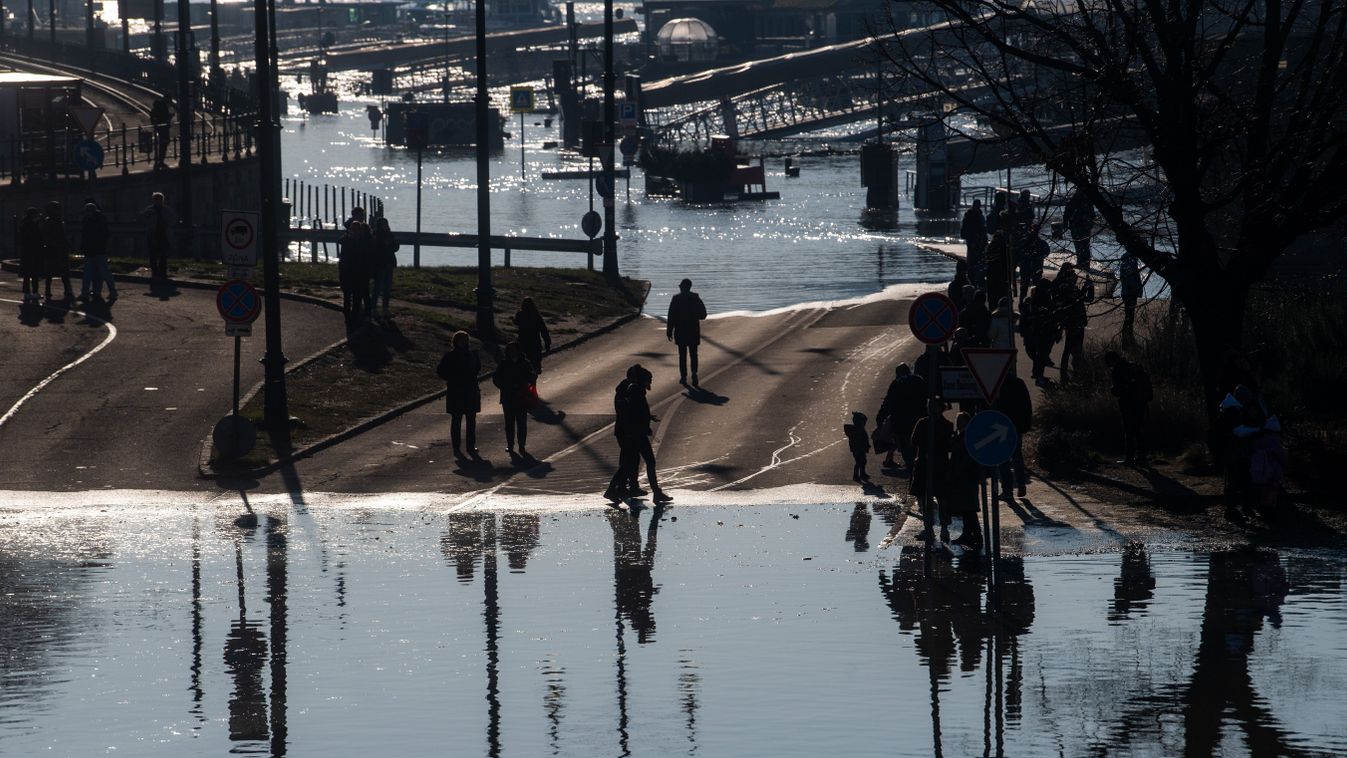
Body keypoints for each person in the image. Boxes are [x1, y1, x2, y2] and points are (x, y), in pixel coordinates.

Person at [608, 365, 670, 503]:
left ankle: (619, 489)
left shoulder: (632, 389)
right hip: (635, 433)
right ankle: (653, 492)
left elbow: (637, 410)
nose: (650, 383)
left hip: (633, 432)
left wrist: (647, 418)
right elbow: (632, 411)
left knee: (630, 462)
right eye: (649, 380)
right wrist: (642, 424)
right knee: (644, 461)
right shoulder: (635, 390)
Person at [436, 331, 482, 459]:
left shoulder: (471, 355)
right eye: (461, 340)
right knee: (456, 420)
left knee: (471, 421)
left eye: (466, 340)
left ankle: (470, 445)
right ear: (456, 341)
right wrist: (452, 378)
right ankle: (456, 446)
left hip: (470, 391)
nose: (464, 342)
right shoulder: (450, 356)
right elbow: (441, 371)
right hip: (456, 392)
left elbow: (477, 369)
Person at [910, 408, 954, 542]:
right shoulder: (947, 425)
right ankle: (944, 529)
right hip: (940, 465)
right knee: (942, 500)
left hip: (925, 464)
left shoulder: (922, 423)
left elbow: (914, 441)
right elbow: (949, 445)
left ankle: (929, 528)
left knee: (925, 500)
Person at [876, 363, 926, 470]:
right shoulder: (919, 381)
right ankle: (916, 468)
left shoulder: (897, 383)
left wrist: (880, 417)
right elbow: (926, 396)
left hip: (900, 423)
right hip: (918, 420)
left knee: (906, 449)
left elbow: (888, 402)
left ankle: (912, 469)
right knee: (917, 446)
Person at [1104, 351, 1153, 463]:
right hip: (1140, 403)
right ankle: (1142, 456)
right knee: (1138, 429)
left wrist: (1113, 389)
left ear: (1112, 360)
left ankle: (1129, 457)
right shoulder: (1133, 366)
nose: (1109, 366)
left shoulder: (1118, 370)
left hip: (1128, 404)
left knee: (1129, 430)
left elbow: (1118, 390)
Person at [493, 341, 537, 458]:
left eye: (514, 349)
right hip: (508, 397)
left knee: (522, 423)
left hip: (521, 397)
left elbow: (532, 375)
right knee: (509, 423)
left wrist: (529, 379)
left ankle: (521, 445)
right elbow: (496, 378)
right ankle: (510, 445)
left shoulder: (524, 363)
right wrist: (504, 386)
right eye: (509, 350)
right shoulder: (504, 364)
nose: (512, 352)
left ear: (518, 350)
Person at [1052, 263, 1094, 383]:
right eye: (1073, 277)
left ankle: (1074, 374)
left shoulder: (1071, 287)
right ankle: (1065, 376)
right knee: (1069, 349)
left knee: (1076, 350)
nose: (1075, 279)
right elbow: (1076, 299)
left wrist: (1089, 287)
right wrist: (1086, 288)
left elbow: (1087, 299)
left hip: (1078, 321)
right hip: (1072, 321)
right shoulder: (1065, 287)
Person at [946, 412, 983, 548]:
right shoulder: (963, 435)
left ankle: (976, 535)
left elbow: (956, 449)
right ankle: (969, 534)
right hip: (965, 476)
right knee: (967, 509)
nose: (958, 422)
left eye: (960, 420)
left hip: (966, 476)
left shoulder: (966, 436)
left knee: (968, 508)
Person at [994, 373, 1033, 498]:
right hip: (1016, 425)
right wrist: (1025, 425)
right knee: (1016, 455)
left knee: (1003, 458)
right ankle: (1020, 485)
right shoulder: (1018, 383)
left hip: (1002, 425)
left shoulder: (997, 384)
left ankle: (1008, 490)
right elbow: (1027, 405)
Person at [666, 278, 707, 385]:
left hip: (680, 331)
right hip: (693, 330)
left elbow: (671, 316)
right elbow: (703, 315)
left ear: (682, 287)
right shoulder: (695, 298)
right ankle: (694, 372)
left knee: (682, 355)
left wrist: (669, 330)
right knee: (694, 354)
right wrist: (694, 316)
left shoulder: (676, 299)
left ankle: (683, 376)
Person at [79, 201, 117, 304]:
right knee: (100, 272)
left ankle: (88, 292)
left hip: (96, 250)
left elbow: (85, 235)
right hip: (98, 250)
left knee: (91, 273)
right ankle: (97, 292)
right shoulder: (100, 218)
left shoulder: (90, 220)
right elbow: (105, 234)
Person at [338, 220, 374, 328]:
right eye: (353, 229)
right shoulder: (346, 240)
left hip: (359, 273)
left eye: (357, 229)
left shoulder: (364, 241)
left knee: (357, 297)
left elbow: (367, 256)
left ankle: (355, 317)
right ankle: (348, 316)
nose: (355, 231)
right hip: (347, 272)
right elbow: (341, 241)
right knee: (347, 296)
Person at [1021, 281, 1058, 385]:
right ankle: (1039, 377)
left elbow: (1024, 318)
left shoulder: (1032, 301)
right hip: (1041, 332)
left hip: (1033, 333)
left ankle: (1037, 374)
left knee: (1037, 355)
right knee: (1041, 355)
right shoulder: (1044, 300)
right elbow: (1052, 315)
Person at [39, 201, 73, 302]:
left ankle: (66, 290)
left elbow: (63, 235)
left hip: (60, 249)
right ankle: (48, 290)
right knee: (51, 272)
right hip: (53, 249)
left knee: (64, 272)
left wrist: (66, 244)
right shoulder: (49, 221)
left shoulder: (58, 221)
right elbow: (45, 236)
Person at [140, 192, 177, 282]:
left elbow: (173, 220)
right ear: (153, 200)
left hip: (164, 235)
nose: (158, 201)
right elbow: (142, 219)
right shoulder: (149, 210)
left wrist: (167, 222)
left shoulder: (167, 210)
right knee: (153, 255)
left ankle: (162, 272)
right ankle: (155, 272)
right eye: (156, 199)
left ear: (162, 200)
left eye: (159, 199)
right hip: (153, 235)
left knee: (163, 255)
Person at [513, 297, 552, 376]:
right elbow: (544, 331)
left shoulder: (520, 315)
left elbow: (516, 322)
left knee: (523, 365)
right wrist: (547, 343)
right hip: (535, 344)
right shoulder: (536, 316)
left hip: (523, 343)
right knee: (535, 366)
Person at [372, 216, 399, 320]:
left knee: (387, 287)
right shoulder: (375, 235)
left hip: (389, 263)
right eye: (383, 224)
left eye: (386, 224)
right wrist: (385, 245)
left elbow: (396, 247)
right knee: (378, 287)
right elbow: (375, 249)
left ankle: (385, 308)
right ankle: (374, 308)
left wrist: (391, 244)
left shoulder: (390, 234)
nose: (385, 226)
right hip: (380, 264)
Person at [1063, 189, 1095, 269]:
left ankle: (1085, 264)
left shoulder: (1083, 202)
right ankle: (1082, 263)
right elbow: (1067, 213)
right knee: (1080, 246)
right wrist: (1065, 223)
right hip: (1078, 226)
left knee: (1083, 246)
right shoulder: (1079, 201)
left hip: (1082, 227)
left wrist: (1066, 223)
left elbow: (1092, 215)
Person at [18, 207, 44, 304]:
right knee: (34, 273)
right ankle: (34, 292)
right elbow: (36, 239)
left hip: (26, 253)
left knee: (27, 274)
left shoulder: (24, 225)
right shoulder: (31, 225)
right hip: (32, 252)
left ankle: (27, 293)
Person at [960, 199, 988, 287]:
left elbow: (964, 231)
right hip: (977, 241)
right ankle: (976, 279)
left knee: (971, 260)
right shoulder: (979, 216)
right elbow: (983, 229)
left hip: (971, 241)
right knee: (978, 260)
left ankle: (972, 278)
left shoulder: (968, 216)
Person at [984, 230, 1011, 307]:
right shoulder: (1004, 247)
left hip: (992, 274)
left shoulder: (990, 247)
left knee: (992, 293)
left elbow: (987, 259)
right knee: (1002, 291)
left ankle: (993, 307)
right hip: (1002, 273)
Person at [1119, 252, 1141, 344]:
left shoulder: (1126, 262)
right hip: (1130, 293)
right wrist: (1137, 289)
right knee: (1129, 317)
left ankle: (1128, 339)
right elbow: (1131, 280)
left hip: (1127, 293)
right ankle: (1127, 339)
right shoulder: (1131, 263)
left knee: (1129, 316)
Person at [844, 411, 871, 482]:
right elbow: (857, 440)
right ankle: (856, 475)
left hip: (861, 448)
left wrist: (867, 445)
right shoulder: (856, 430)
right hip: (857, 449)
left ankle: (862, 474)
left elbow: (865, 439)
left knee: (863, 461)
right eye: (863, 422)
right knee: (859, 462)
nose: (864, 423)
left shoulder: (860, 429)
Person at [150, 96, 173, 170]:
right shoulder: (164, 106)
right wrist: (170, 116)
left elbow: (152, 114)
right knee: (164, 144)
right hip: (164, 128)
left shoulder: (159, 106)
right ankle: (161, 160)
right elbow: (166, 116)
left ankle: (159, 161)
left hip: (159, 127)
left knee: (161, 144)